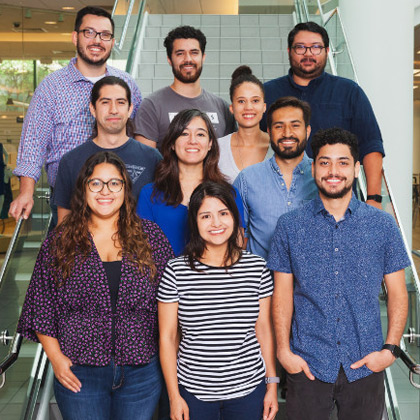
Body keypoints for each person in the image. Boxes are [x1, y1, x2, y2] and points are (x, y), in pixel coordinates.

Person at [17, 151, 174, 420]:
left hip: (141, 370)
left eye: (114, 183)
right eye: (96, 183)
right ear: (84, 189)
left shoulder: (151, 237)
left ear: (125, 189)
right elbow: (40, 305)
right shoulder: (61, 241)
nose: (106, 191)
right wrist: (56, 358)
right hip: (79, 371)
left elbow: (172, 302)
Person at [268, 128, 409, 419]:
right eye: (325, 162)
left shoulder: (382, 225)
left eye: (343, 162)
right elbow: (281, 293)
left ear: (357, 169)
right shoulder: (290, 226)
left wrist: (390, 350)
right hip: (308, 364)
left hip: (366, 364)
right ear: (313, 168)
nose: (334, 171)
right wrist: (283, 351)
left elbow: (397, 292)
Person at [158, 181, 278, 420]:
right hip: (193, 393)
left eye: (223, 213)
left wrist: (272, 384)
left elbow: (263, 329)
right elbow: (168, 337)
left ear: (234, 217)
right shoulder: (176, 271)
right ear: (195, 222)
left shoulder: (257, 268)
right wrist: (174, 396)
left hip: (249, 391)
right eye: (206, 216)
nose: (216, 223)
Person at [10, 6, 142, 221]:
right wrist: (26, 193)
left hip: (119, 199)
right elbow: (33, 143)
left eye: (105, 35)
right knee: (67, 254)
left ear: (112, 42)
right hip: (68, 200)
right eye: (89, 32)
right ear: (75, 37)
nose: (97, 40)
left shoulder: (127, 84)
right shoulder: (51, 87)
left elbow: (137, 137)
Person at [261, 21, 384, 209]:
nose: (308, 53)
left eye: (316, 47)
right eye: (300, 47)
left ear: (327, 51)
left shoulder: (349, 91)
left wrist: (374, 197)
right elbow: (251, 139)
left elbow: (371, 144)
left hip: (339, 199)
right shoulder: (268, 93)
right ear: (289, 51)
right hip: (280, 198)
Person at [53, 76, 161, 224]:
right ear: (93, 109)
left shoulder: (152, 158)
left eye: (121, 102)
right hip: (86, 246)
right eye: (105, 102)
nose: (113, 110)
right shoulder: (71, 161)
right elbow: (63, 223)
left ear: (130, 109)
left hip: (141, 245)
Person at [137, 109, 244, 257]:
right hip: (162, 279)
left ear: (210, 144)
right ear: (172, 144)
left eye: (200, 134)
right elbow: (142, 253)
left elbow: (236, 248)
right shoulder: (150, 194)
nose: (192, 140)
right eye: (184, 134)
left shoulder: (229, 193)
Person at [233, 96, 317, 260]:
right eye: (279, 126)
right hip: (260, 283)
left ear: (307, 131)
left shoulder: (326, 177)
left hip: (312, 283)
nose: (287, 133)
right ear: (269, 132)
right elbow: (236, 238)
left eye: (295, 125)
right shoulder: (247, 179)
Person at [133, 25, 236, 150]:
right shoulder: (151, 106)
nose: (188, 59)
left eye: (194, 53)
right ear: (169, 60)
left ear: (203, 57)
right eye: (180, 53)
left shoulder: (221, 107)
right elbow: (145, 161)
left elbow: (229, 155)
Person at [218, 65, 273, 184]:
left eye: (255, 101)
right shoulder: (217, 149)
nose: (248, 107)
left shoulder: (277, 147)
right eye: (241, 101)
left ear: (264, 107)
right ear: (232, 108)